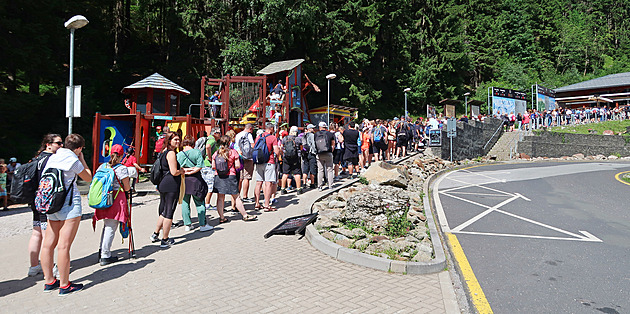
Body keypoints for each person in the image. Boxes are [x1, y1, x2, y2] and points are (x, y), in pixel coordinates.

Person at [40, 134, 92, 295]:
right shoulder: (73, 160)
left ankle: (49, 281)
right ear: (78, 148)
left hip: (51, 203)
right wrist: (82, 159)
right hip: (68, 205)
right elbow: (88, 177)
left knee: (48, 243)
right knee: (64, 245)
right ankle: (64, 284)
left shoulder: (53, 157)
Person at [27, 134, 63, 277]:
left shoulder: (36, 159)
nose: (61, 146)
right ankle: (52, 268)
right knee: (49, 237)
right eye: (58, 143)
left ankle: (34, 266)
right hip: (47, 201)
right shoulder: (52, 159)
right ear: (48, 144)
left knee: (36, 234)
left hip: (35, 200)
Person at [93, 144, 131, 266]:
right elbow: (127, 187)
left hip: (102, 198)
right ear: (121, 155)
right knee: (111, 226)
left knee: (106, 225)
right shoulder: (122, 168)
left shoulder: (102, 166)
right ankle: (105, 255)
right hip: (115, 199)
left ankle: (101, 250)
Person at [212, 135, 258, 222]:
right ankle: (245, 215)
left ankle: (222, 217)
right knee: (236, 197)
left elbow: (213, 166)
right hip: (230, 176)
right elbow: (237, 166)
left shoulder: (216, 153)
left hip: (219, 176)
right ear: (229, 143)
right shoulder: (233, 152)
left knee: (220, 197)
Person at [150, 132, 183, 248]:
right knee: (169, 211)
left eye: (179, 140)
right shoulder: (171, 153)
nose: (178, 142)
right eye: (175, 140)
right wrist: (182, 171)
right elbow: (174, 172)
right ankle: (165, 239)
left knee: (164, 210)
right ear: (169, 141)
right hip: (171, 184)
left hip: (163, 184)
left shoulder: (163, 152)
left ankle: (155, 233)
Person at [177, 135, 213, 232]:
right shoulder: (197, 152)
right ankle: (202, 224)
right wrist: (192, 170)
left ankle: (187, 224)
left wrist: (186, 171)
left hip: (183, 180)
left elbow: (178, 168)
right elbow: (200, 166)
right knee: (199, 202)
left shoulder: (179, 154)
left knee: (185, 203)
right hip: (195, 179)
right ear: (193, 143)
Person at [253, 123, 281, 211]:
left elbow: (254, 147)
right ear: (271, 129)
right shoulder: (273, 138)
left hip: (259, 162)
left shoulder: (259, 137)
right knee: (268, 183)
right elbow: (276, 151)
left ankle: (257, 203)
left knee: (258, 183)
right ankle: (266, 205)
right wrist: (280, 153)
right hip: (269, 162)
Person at [234, 124, 255, 201]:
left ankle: (238, 195)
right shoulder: (248, 135)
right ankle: (245, 196)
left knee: (240, 177)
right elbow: (252, 145)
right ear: (250, 128)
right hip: (248, 158)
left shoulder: (238, 135)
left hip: (239, 156)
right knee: (247, 177)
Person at [280, 126, 303, 195]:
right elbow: (301, 148)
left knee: (285, 173)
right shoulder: (298, 139)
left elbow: (281, 147)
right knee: (297, 173)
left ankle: (283, 189)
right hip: (296, 158)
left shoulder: (285, 138)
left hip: (286, 158)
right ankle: (298, 189)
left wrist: (283, 155)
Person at [202, 128, 221, 210]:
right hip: (208, 165)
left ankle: (205, 203)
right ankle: (207, 204)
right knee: (210, 185)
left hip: (205, 165)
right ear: (215, 133)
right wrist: (210, 158)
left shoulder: (209, 138)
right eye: (219, 133)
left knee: (207, 184)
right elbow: (208, 146)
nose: (220, 134)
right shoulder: (212, 139)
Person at [315, 122, 335, 191]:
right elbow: (333, 144)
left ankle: (319, 186)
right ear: (326, 127)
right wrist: (331, 151)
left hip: (319, 153)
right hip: (328, 153)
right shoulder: (330, 134)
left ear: (320, 127)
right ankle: (330, 186)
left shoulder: (316, 134)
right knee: (329, 169)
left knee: (320, 170)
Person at [302, 124, 318, 189]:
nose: (313, 129)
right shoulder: (312, 135)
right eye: (312, 128)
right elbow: (313, 145)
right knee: (312, 169)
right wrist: (315, 151)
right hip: (311, 153)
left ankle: (304, 183)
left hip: (305, 153)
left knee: (305, 169)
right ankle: (312, 183)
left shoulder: (303, 135)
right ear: (309, 129)